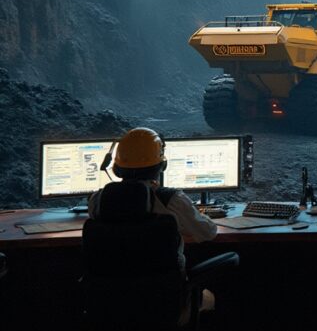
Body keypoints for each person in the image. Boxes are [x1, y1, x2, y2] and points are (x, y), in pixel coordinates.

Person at [88, 128, 219, 317]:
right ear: (161, 166)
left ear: (116, 167)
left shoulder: (98, 200)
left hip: (110, 305)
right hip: (165, 305)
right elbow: (208, 233)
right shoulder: (172, 200)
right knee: (210, 298)